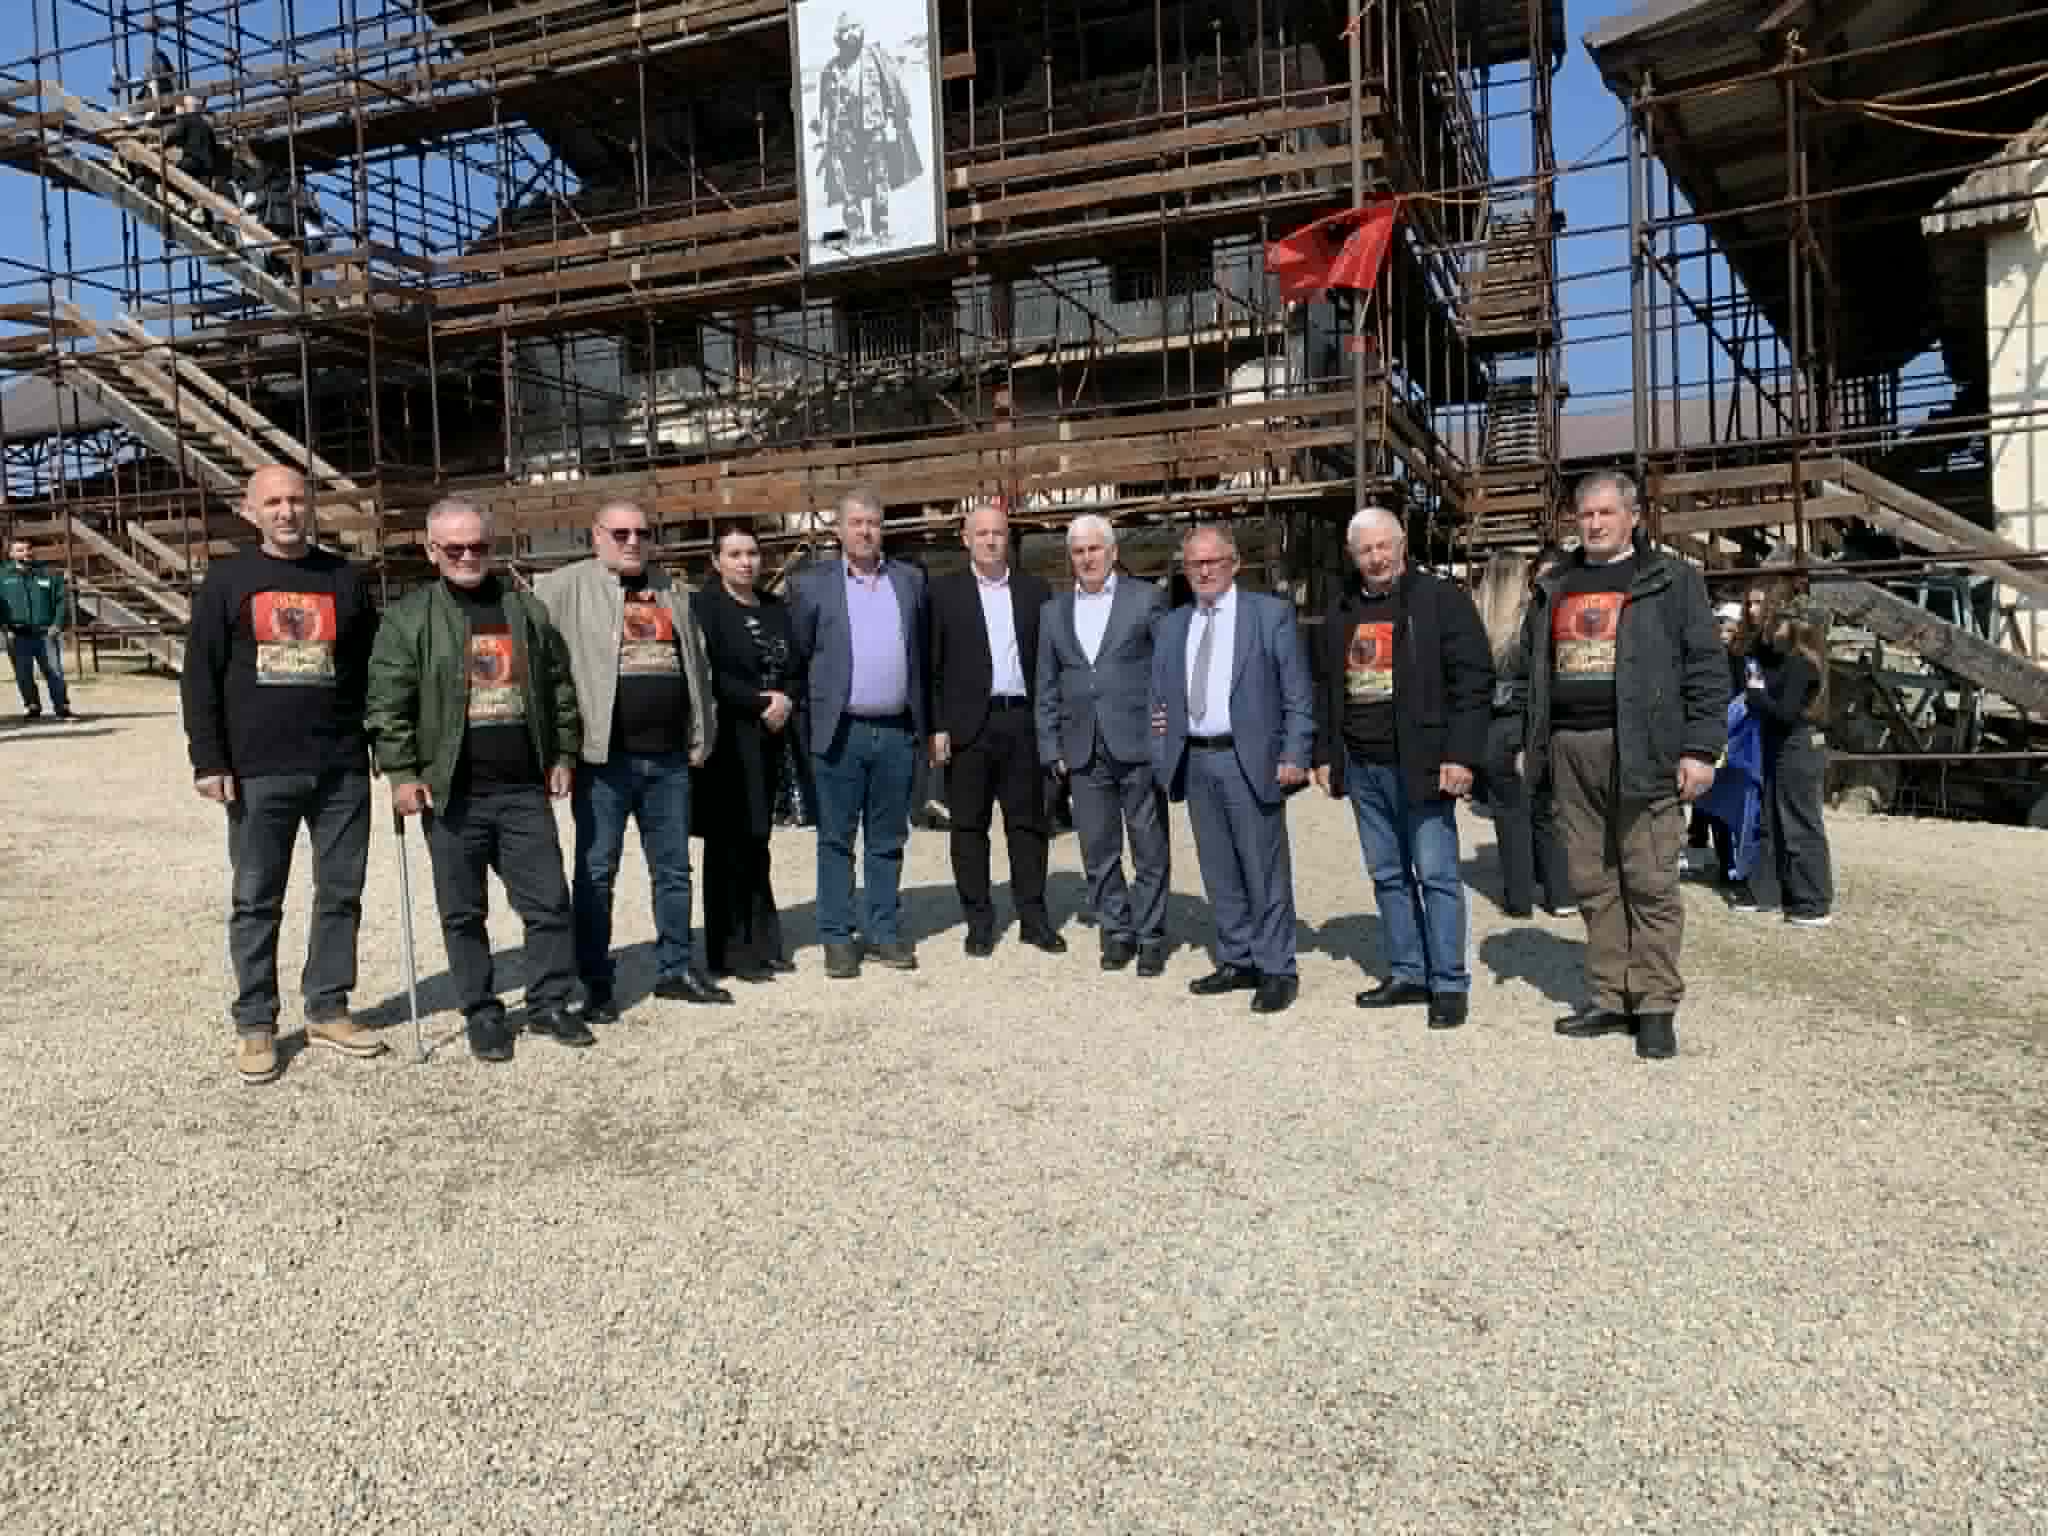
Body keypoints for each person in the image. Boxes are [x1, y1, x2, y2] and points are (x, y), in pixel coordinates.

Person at [180, 464, 386, 1085]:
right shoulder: (228, 580)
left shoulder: (343, 579)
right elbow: (199, 675)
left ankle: (328, 1006)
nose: (287, 511)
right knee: (256, 899)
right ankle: (256, 1022)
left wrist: (384, 745)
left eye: (296, 499)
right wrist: (209, 759)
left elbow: (371, 670)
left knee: (341, 892)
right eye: (272, 502)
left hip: (340, 767)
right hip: (257, 768)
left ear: (310, 506)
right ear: (250, 511)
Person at [367, 498, 591, 1062]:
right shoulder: (408, 618)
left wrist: (563, 752)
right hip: (452, 793)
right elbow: (388, 704)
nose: (468, 556)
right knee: (464, 913)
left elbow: (558, 687)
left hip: (521, 790)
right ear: (432, 551)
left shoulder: (525, 609)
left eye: (479, 546)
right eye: (455, 548)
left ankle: (547, 1003)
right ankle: (482, 1012)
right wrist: (402, 773)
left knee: (548, 904)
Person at [1516, 471, 1727, 1061]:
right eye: (1585, 515)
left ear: (1633, 517)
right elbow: (1529, 671)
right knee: (1592, 879)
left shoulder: (1670, 580)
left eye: (1606, 512)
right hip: (1569, 748)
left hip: (1644, 748)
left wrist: (1700, 749)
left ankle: (1655, 1003)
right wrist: (1526, 740)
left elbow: (1706, 667)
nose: (1595, 524)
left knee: (1650, 878)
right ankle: (1611, 996)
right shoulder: (1554, 586)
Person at [536, 499, 724, 1015]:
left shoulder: (672, 591)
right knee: (597, 873)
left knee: (674, 870)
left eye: (642, 533)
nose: (633, 542)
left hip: (668, 760)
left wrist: (702, 732)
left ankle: (676, 968)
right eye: (621, 534)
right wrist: (555, 749)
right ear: (596, 536)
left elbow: (698, 665)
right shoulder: (563, 588)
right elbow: (536, 664)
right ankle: (595, 982)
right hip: (603, 762)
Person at [1312, 507, 1493, 1029]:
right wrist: (1324, 754)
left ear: (1402, 545)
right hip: (1363, 765)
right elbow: (1325, 688)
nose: (1376, 557)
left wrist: (1461, 754)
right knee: (1387, 874)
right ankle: (1409, 971)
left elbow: (1473, 681)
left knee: (1436, 874)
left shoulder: (1439, 600)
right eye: (1365, 550)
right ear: (1353, 555)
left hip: (1424, 761)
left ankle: (1449, 981)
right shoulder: (1341, 608)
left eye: (1383, 546)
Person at [1151, 523, 1314, 1015]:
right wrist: (1162, 752)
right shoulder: (1173, 625)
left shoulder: (1269, 615)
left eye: (1213, 561)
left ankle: (1276, 968)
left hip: (1250, 759)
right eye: (1194, 564)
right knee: (1218, 866)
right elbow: (1159, 698)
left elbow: (1297, 692)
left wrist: (1295, 754)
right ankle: (1237, 957)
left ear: (1235, 563)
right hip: (1196, 757)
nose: (1204, 571)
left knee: (1263, 868)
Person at [789, 486, 930, 978]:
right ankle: (836, 936)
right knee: (836, 839)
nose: (866, 531)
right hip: (840, 732)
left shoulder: (910, 581)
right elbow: (799, 656)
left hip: (895, 731)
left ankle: (884, 931)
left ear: (882, 528)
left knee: (888, 838)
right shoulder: (811, 586)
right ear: (839, 529)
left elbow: (921, 654)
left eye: (873, 523)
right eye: (856, 523)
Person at [1036, 513, 1170, 975]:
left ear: (1113, 552)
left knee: (1148, 844)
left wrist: (1163, 732)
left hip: (1137, 742)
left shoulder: (1145, 599)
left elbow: (1166, 671)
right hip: (1082, 745)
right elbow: (1047, 683)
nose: (1087, 558)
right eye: (1078, 551)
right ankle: (1117, 930)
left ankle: (1151, 935)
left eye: (1095, 549)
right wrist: (1050, 745)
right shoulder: (1053, 613)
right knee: (1097, 846)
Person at [928, 502, 1061, 956]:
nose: (990, 540)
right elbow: (932, 665)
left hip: (1021, 720)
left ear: (1009, 538)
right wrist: (937, 726)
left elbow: (1049, 662)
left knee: (1028, 825)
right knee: (969, 827)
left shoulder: (1035, 591)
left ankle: (1034, 918)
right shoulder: (943, 593)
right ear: (965, 539)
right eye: (981, 533)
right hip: (969, 725)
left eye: (998, 533)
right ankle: (979, 922)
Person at [692, 524, 799, 981]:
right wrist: (760, 703)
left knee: (758, 841)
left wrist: (786, 698)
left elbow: (795, 664)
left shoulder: (775, 608)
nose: (745, 562)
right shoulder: (705, 608)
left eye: (752, 553)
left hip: (770, 739)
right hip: (729, 740)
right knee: (728, 846)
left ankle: (765, 941)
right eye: (734, 554)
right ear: (716, 561)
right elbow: (708, 672)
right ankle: (730, 950)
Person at [1476, 545, 1569, 917]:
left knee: (1509, 815)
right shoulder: (1535, 620)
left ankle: (1518, 898)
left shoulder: (1477, 625)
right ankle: (1560, 895)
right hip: (1530, 725)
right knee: (1545, 809)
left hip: (1493, 729)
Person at [1735, 596, 1836, 926]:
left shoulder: (1802, 665)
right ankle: (1785, 893)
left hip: (1798, 746)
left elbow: (1785, 713)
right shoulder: (1791, 660)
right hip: (1784, 745)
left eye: (1778, 621)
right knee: (1777, 820)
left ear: (1794, 627)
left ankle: (1814, 901)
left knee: (1800, 823)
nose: (1772, 626)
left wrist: (1756, 695)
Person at [809, 12, 925, 248]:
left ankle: (881, 230)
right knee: (849, 186)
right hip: (844, 136)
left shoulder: (875, 57)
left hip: (874, 130)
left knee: (879, 180)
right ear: (838, 37)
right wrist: (824, 135)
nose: (850, 34)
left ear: (861, 31)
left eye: (854, 28)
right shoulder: (831, 70)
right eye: (845, 30)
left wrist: (896, 120)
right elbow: (825, 108)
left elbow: (892, 87)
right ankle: (856, 231)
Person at [1, 537, 75, 721]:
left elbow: (61, 600)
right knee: (23, 674)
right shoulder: (2, 576)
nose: (26, 553)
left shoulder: (49, 574)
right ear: (11, 554)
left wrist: (57, 624)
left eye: (28, 549)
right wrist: (4, 626)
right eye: (20, 550)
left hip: (46, 633)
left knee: (54, 671)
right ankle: (32, 705)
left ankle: (62, 707)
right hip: (17, 635)